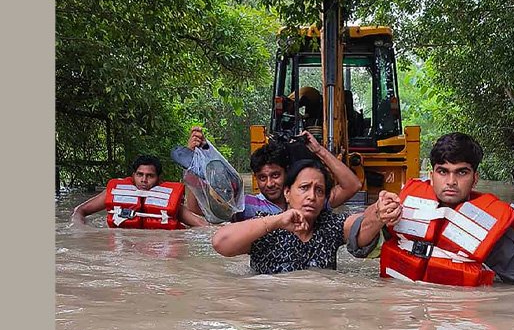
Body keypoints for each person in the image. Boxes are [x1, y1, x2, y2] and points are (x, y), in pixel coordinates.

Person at [378, 132, 514, 287]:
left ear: (475, 178)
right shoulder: (397, 208)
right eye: (443, 171)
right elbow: (357, 244)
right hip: (404, 314)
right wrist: (377, 215)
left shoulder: (496, 233)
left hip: (459, 319)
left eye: (461, 172)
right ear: (431, 176)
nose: (451, 181)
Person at [211, 159, 402, 274]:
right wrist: (277, 220)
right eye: (304, 188)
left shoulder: (330, 225)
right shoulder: (266, 226)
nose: (312, 196)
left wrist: (379, 212)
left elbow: (360, 224)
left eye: (319, 190)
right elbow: (220, 242)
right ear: (287, 192)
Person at [185, 126, 362, 221]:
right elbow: (196, 209)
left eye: (275, 176)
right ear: (255, 178)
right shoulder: (246, 206)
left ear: (287, 172)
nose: (269, 184)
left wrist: (319, 151)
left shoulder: (308, 201)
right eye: (262, 178)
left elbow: (352, 186)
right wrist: (193, 161)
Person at [71, 155, 210, 229]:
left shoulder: (168, 202)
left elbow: (201, 225)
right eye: (140, 174)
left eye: (150, 176)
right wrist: (79, 229)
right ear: (133, 176)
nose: (144, 180)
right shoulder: (116, 193)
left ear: (158, 179)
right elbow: (80, 210)